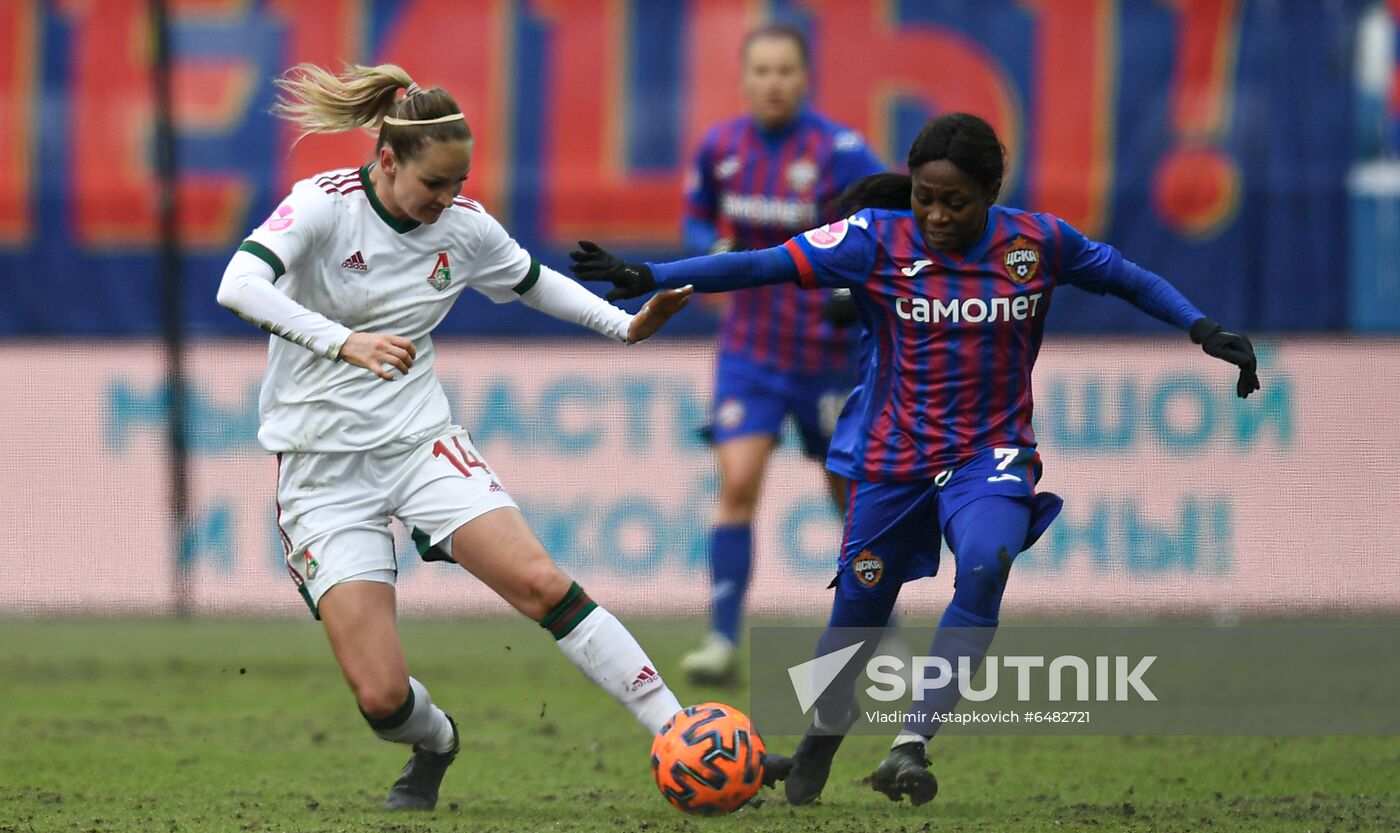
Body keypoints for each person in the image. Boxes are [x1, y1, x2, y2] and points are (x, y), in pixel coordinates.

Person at [570, 112, 1260, 806]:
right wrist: (650, 272)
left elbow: (1126, 277)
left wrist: (1203, 328)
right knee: (858, 615)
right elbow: (762, 263)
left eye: (953, 200)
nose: (934, 213)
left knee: (987, 561)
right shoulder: (874, 238)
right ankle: (818, 742)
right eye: (925, 196)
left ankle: (912, 742)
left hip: (989, 453)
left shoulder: (1038, 242)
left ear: (992, 189)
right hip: (893, 463)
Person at [216, 63, 697, 811]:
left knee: (542, 583)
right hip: (321, 470)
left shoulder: (465, 228)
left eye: (459, 181)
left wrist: (625, 327)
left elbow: (536, 281)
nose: (448, 200)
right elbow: (237, 286)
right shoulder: (321, 206)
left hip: (419, 443)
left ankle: (681, 732)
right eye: (434, 184)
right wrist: (346, 341)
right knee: (380, 696)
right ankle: (436, 739)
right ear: (386, 161)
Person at [678, 24, 886, 686]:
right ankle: (718, 638)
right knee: (737, 483)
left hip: (829, 355)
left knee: (849, 498)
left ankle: (877, 629)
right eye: (761, 70)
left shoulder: (842, 152)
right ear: (744, 78)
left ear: (805, 77)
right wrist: (708, 248)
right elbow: (695, 214)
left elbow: (886, 225)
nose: (773, 82)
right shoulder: (722, 146)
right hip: (751, 350)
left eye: (785, 70)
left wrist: (858, 291)